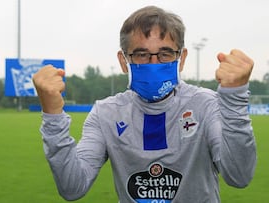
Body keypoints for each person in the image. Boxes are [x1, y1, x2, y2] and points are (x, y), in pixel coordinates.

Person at [33, 6, 256, 203]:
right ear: (123, 61)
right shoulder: (106, 113)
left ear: (182, 58)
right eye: (141, 55)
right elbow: (73, 187)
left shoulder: (204, 105)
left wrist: (234, 98)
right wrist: (53, 115)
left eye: (165, 54)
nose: (154, 63)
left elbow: (238, 176)